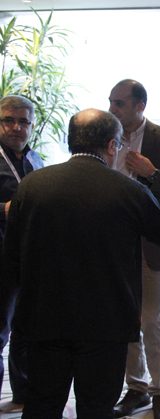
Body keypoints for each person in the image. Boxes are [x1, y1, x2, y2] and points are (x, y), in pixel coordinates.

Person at [1, 108, 160, 419]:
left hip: (44, 319)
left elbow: (13, 255)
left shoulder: (32, 186)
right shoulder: (129, 190)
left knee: (42, 405)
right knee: (96, 407)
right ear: (111, 145)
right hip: (105, 324)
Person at [108, 79, 160, 419]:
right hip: (112, 243)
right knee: (124, 318)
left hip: (149, 242)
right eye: (111, 102)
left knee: (152, 320)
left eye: (119, 103)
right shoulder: (106, 135)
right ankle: (136, 387)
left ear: (140, 105)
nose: (112, 109)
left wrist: (152, 173)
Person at [0, 95, 44, 413]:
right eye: (9, 120)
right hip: (0, 257)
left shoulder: (35, 159)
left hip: (30, 257)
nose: (17, 127)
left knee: (26, 329)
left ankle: (22, 394)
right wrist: (4, 209)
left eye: (24, 122)